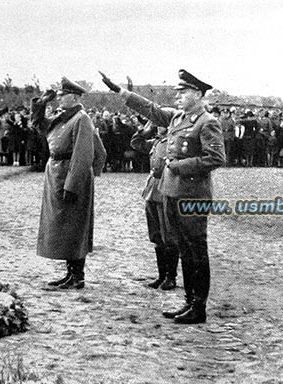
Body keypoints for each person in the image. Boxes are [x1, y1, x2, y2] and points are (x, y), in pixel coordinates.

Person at [101, 69, 225, 324]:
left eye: (184, 92)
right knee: (184, 250)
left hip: (192, 196)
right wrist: (121, 92)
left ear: (199, 94)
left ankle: (198, 307)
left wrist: (179, 166)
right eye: (177, 92)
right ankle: (189, 301)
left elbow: (216, 158)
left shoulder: (206, 121)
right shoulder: (178, 118)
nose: (178, 96)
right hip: (171, 192)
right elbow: (151, 109)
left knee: (196, 251)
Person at [30, 77, 107, 290]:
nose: (59, 99)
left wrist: (72, 185)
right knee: (63, 227)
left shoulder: (81, 119)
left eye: (62, 95)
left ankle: (78, 276)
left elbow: (83, 155)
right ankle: (70, 273)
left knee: (74, 226)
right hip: (56, 173)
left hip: (72, 175)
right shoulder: (63, 118)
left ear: (74, 97)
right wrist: (41, 103)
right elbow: (38, 125)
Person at [130, 120, 178, 290]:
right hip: (152, 189)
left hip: (165, 189)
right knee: (156, 235)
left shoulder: (174, 141)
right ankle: (161, 275)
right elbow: (136, 143)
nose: (158, 127)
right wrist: (144, 130)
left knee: (169, 235)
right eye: (156, 124)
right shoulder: (157, 141)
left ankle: (171, 277)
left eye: (161, 123)